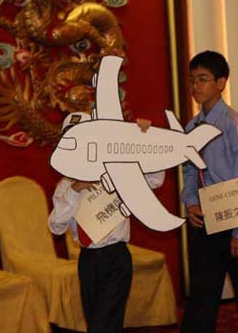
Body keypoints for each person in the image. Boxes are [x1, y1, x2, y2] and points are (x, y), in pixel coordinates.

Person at [48, 112, 164, 333]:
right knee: (99, 323)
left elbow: (154, 179)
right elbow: (55, 226)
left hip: (116, 259)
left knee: (102, 327)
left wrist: (145, 141)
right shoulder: (65, 185)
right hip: (88, 261)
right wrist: (74, 190)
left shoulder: (117, 170)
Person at [180, 50, 238, 332]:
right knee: (201, 296)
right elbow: (189, 171)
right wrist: (191, 202)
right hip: (205, 217)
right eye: (192, 80)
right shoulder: (191, 127)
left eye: (203, 79)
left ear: (221, 83)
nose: (196, 86)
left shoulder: (235, 125)